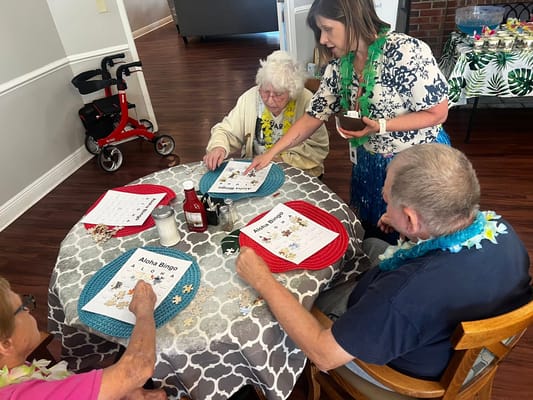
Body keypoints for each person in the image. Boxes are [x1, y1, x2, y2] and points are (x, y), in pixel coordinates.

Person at [236, 144, 532, 393]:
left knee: (303, 296)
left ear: (411, 218)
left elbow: (323, 353)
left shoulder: (403, 295)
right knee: (372, 245)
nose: (383, 203)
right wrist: (412, 231)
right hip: (460, 341)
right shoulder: (501, 230)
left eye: (387, 200)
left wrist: (263, 280)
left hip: (407, 371)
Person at [246, 0, 450, 240]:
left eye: (328, 29)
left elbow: (437, 113)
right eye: (319, 31)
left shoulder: (405, 52)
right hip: (370, 165)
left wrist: (382, 126)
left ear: (352, 19)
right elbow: (313, 117)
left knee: (420, 236)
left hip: (416, 166)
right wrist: (271, 152)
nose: (322, 39)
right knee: (378, 232)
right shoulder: (338, 67)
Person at [0, 278, 166, 400]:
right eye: (22, 308)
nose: (29, 310)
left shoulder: (14, 371)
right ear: (6, 344)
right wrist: (144, 309)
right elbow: (137, 368)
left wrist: (123, 393)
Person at [203, 50, 329, 178]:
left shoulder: (307, 100)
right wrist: (219, 147)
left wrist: (281, 159)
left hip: (296, 172)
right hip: (257, 171)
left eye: (278, 94)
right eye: (265, 92)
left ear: (292, 92)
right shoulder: (250, 97)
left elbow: (317, 147)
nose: (269, 100)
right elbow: (226, 130)